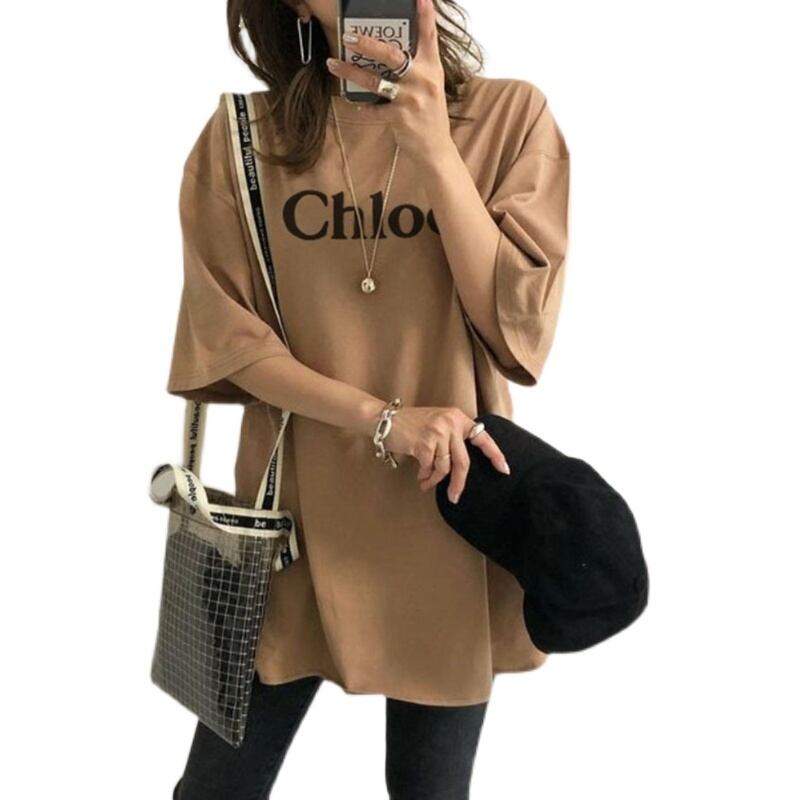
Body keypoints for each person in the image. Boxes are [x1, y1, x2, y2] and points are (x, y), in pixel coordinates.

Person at [166, 0, 570, 796]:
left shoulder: (510, 119)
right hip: (288, 528)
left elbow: (517, 328)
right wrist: (382, 421)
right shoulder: (243, 138)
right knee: (216, 790)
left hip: (450, 515)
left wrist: (434, 149)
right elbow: (230, 339)